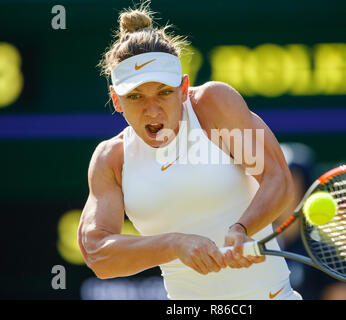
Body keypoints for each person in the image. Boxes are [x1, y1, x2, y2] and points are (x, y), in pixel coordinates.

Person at [77, 2, 301, 300]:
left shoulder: (213, 105)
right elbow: (97, 254)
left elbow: (278, 179)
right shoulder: (111, 158)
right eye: (136, 96)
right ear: (116, 101)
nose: (152, 110)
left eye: (164, 92)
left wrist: (242, 228)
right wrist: (174, 245)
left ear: (183, 88)